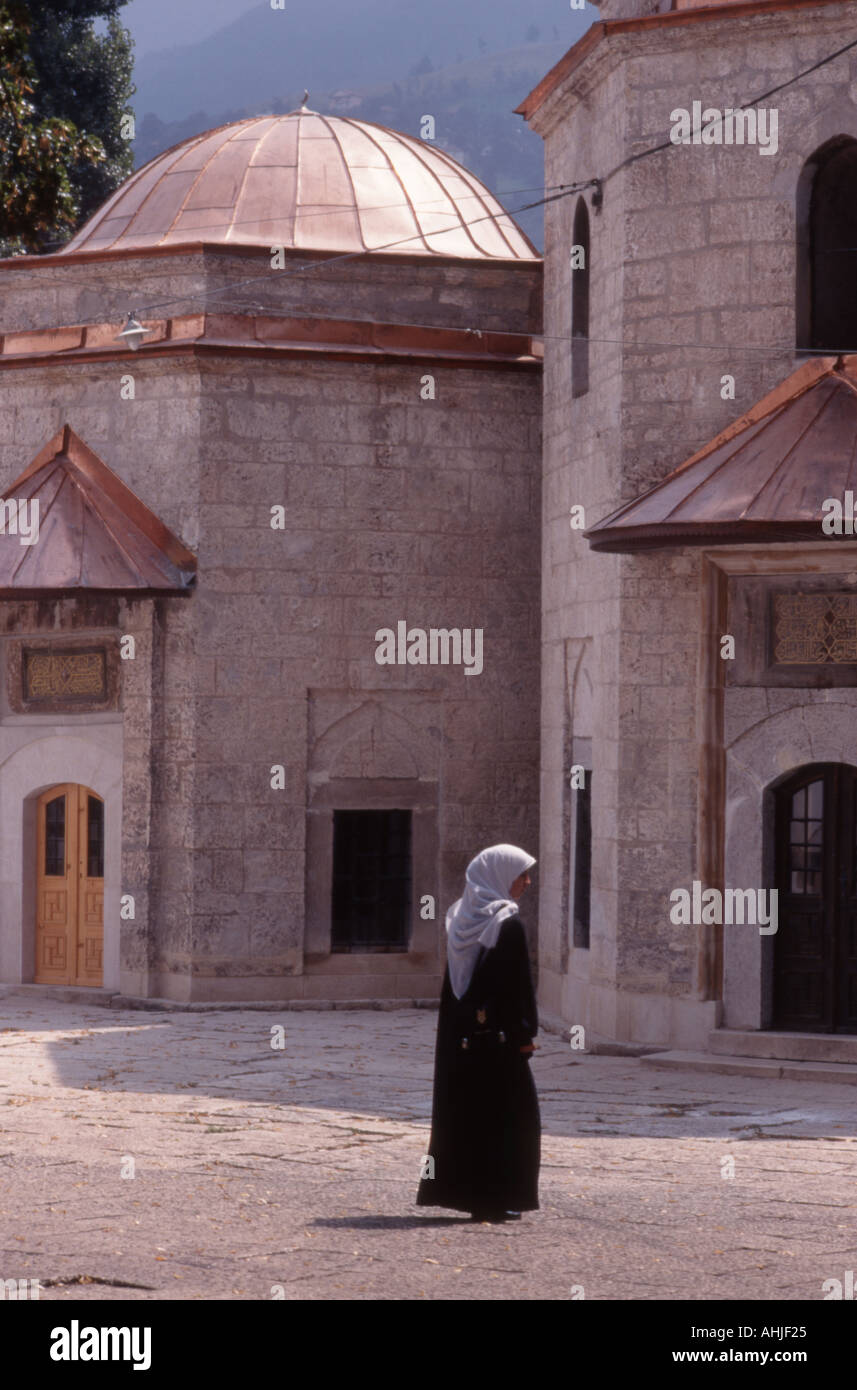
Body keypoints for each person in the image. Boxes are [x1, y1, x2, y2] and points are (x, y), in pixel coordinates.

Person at [416, 844, 541, 1223]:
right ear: (501, 877)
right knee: (514, 1119)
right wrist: (524, 1036)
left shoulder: (458, 918)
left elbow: (455, 988)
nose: (527, 882)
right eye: (521, 874)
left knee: (467, 1115)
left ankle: (469, 1195)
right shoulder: (507, 923)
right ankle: (499, 1197)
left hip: (463, 1041)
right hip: (500, 1043)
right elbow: (517, 988)